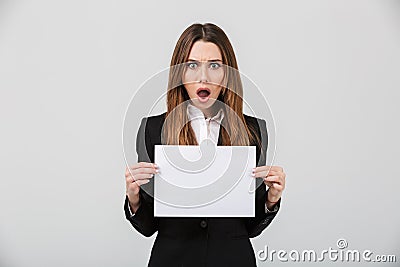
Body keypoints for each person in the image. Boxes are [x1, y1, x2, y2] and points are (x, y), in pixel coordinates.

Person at [124, 23, 286, 267]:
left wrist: (271, 199)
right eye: (192, 65)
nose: (203, 76)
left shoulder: (255, 130)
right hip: (173, 260)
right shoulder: (153, 128)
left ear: (227, 73)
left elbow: (251, 227)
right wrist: (134, 198)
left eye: (214, 65)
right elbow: (149, 227)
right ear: (180, 73)